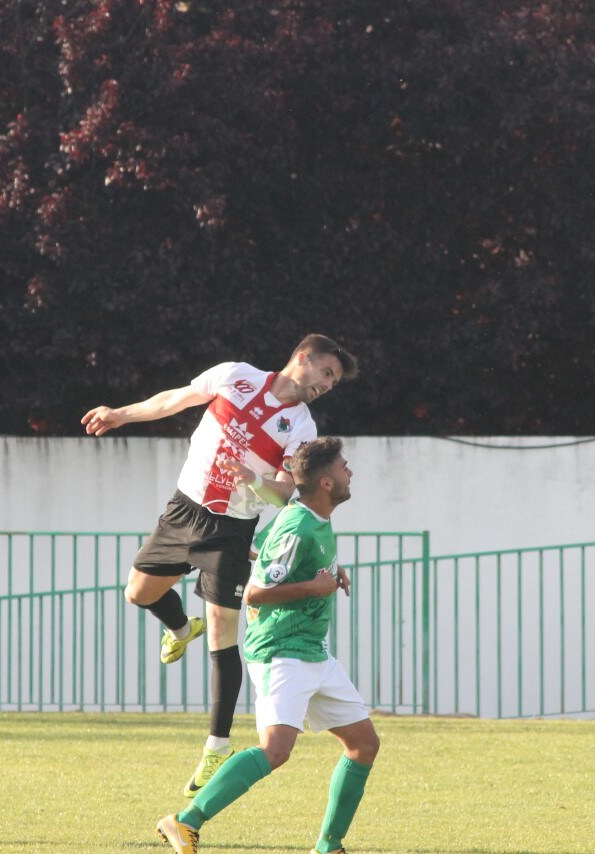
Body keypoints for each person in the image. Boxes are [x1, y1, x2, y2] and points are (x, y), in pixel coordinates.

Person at [82, 335, 358, 796]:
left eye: (335, 380)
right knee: (138, 593)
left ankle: (217, 745)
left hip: (231, 528)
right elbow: (175, 399)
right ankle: (177, 628)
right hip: (184, 508)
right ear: (303, 358)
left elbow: (287, 493)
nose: (329, 384)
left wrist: (256, 481)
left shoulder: (302, 427)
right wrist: (120, 413)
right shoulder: (237, 376)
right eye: (327, 372)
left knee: (222, 631)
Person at [155, 437, 378, 854]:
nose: (351, 472)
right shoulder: (298, 525)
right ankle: (184, 822)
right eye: (345, 467)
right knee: (275, 750)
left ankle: (329, 846)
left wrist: (329, 570)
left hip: (312, 650)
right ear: (327, 482)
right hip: (281, 653)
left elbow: (262, 552)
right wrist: (314, 585)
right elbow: (255, 593)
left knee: (364, 745)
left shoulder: (308, 515)